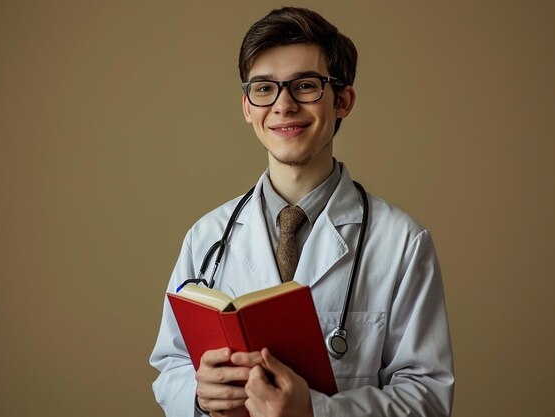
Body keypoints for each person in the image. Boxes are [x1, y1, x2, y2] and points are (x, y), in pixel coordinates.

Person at [150, 6, 454, 417]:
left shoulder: (401, 242)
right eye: (264, 88)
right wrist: (199, 395)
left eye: (305, 85)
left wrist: (315, 412)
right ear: (246, 107)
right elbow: (170, 366)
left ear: (343, 100)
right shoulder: (207, 237)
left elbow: (428, 398)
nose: (283, 105)